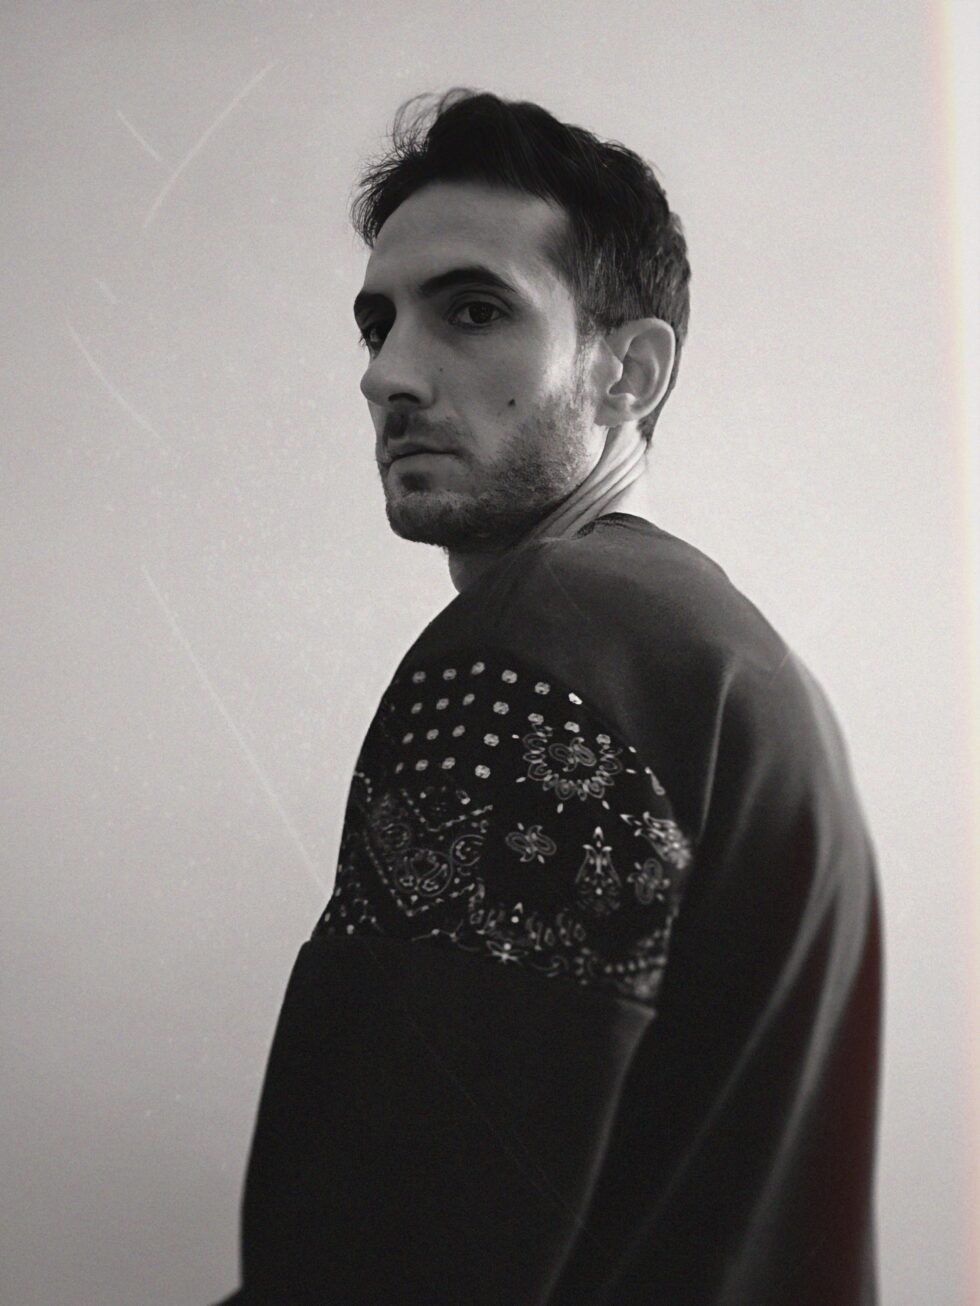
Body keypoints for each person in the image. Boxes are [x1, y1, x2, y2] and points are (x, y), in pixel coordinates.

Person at [214, 90, 882, 1305]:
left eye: (472, 311)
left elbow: (385, 1256)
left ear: (628, 371)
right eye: (375, 324)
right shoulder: (724, 654)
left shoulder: (542, 640)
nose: (385, 376)